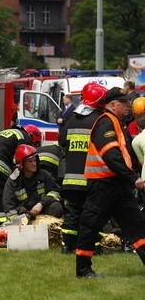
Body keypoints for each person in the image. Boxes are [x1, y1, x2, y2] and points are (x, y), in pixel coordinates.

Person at [75, 86, 145, 278]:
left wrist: (133, 174)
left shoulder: (117, 123)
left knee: (137, 225)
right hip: (103, 186)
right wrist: (134, 178)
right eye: (124, 103)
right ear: (113, 105)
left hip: (118, 186)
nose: (128, 106)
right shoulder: (105, 122)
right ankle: (83, 270)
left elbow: (125, 155)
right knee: (90, 226)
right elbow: (111, 157)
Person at [58, 82, 107, 254]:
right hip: (91, 178)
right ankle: (94, 247)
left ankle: (67, 246)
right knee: (93, 214)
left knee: (72, 213)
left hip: (71, 178)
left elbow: (62, 141)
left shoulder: (71, 119)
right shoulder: (100, 121)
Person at [0, 124, 42, 226]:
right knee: (2, 192)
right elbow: (20, 159)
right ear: (33, 136)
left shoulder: (11, 132)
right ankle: (2, 224)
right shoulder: (25, 137)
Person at [2, 144, 63, 220]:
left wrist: (41, 204)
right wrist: (19, 222)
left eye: (35, 160)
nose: (34, 164)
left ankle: (47, 228)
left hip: (42, 212)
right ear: (22, 164)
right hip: (24, 215)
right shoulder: (13, 181)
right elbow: (9, 206)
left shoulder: (44, 175)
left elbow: (56, 191)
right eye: (30, 161)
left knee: (56, 207)